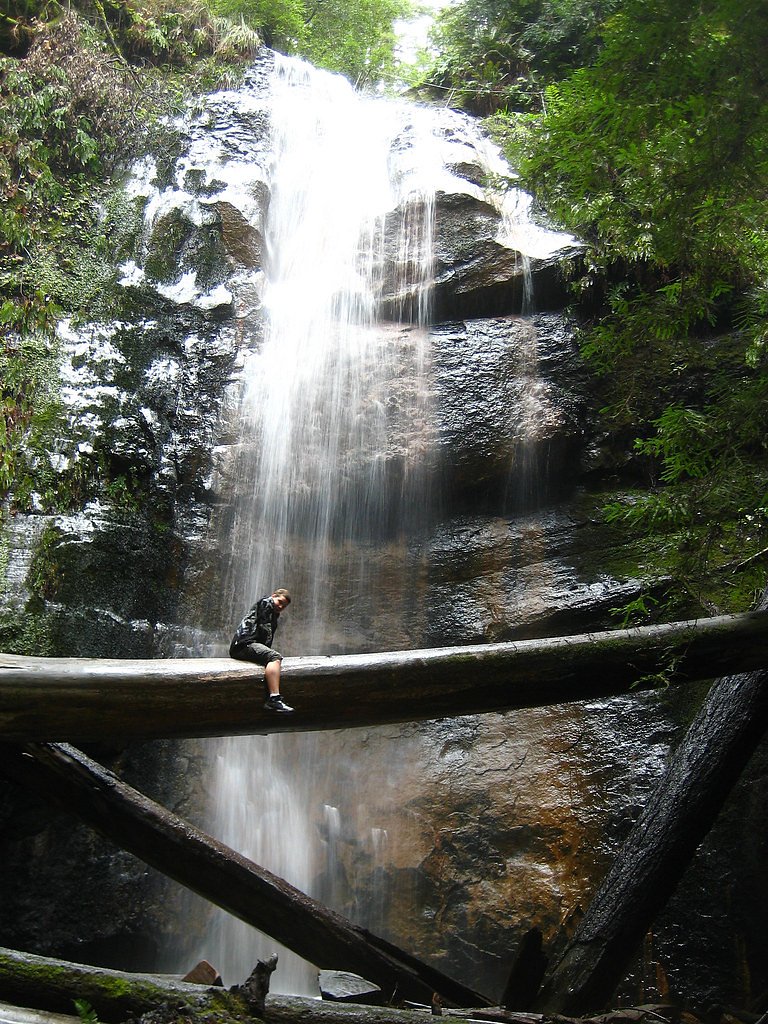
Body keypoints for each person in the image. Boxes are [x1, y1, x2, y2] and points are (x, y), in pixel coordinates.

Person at [229, 588, 294, 713]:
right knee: (274, 657)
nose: (280, 606)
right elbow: (265, 632)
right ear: (273, 595)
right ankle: (274, 699)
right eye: (279, 601)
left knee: (271, 656)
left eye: (284, 606)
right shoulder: (266, 603)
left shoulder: (273, 612)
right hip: (244, 644)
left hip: (246, 644)